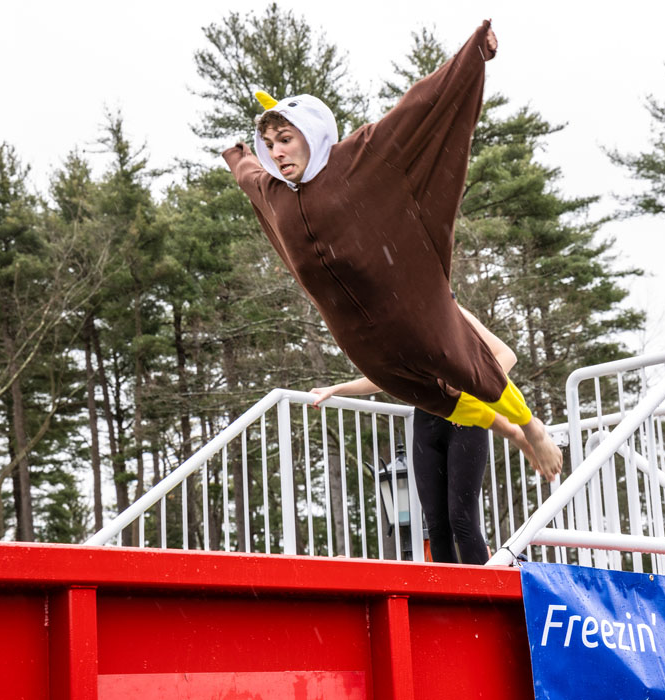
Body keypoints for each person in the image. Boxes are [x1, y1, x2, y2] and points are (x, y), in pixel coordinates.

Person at [222, 20, 562, 481]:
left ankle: (530, 427)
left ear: (312, 132)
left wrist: (472, 54)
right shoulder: (273, 190)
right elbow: (247, 174)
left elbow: (416, 109)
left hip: (408, 306)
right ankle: (513, 433)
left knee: (465, 365)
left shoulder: (356, 158)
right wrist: (237, 153)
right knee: (424, 393)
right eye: (270, 145)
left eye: (285, 139)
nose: (277, 153)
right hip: (357, 331)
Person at [311, 305, 522, 564]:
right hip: (426, 424)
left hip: (465, 421)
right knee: (435, 524)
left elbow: (506, 356)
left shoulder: (453, 312)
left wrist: (467, 391)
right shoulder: (403, 324)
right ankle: (447, 597)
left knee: (462, 519)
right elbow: (388, 378)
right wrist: (337, 388)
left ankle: (482, 594)